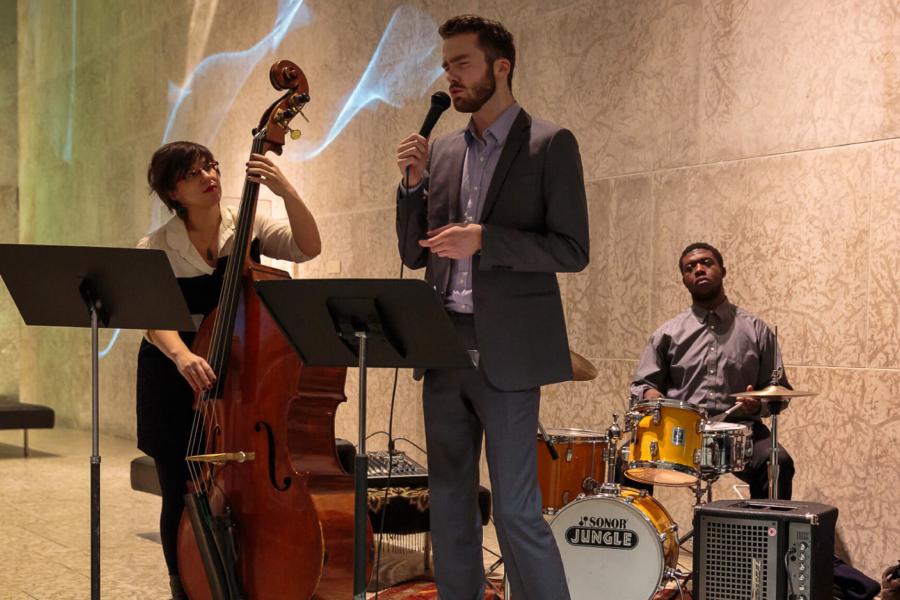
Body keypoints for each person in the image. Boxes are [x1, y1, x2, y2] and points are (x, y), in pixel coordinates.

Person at [395, 14, 589, 600]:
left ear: (500, 67)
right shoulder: (446, 150)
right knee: (450, 506)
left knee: (515, 511)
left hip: (508, 352)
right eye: (447, 64)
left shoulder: (549, 143)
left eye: (462, 63)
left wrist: (485, 240)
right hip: (443, 344)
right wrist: (411, 187)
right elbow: (413, 252)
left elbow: (572, 249)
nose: (450, 76)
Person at [136, 141, 321, 599]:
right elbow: (153, 319)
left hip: (238, 376)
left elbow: (307, 246)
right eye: (194, 173)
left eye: (212, 167)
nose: (209, 176)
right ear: (173, 192)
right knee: (181, 486)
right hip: (172, 374)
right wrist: (183, 356)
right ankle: (184, 586)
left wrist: (284, 188)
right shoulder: (156, 245)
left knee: (245, 485)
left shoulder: (248, 222)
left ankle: (252, 580)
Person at [630, 242, 795, 500]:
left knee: (778, 463)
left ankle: (765, 538)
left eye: (707, 263)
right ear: (684, 279)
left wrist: (758, 404)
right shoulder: (667, 333)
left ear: (723, 270)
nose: (698, 269)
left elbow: (780, 391)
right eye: (690, 267)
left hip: (741, 431)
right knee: (625, 462)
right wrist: (652, 397)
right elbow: (642, 385)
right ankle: (644, 535)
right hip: (682, 431)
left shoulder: (756, 330)